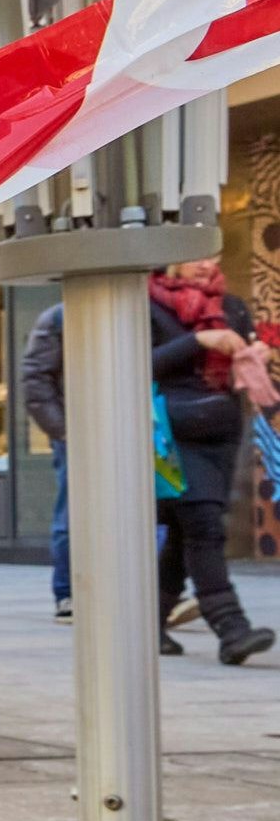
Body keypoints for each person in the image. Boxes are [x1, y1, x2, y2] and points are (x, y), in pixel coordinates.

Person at [150, 257, 273, 664]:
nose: (207, 264)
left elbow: (248, 347)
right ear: (171, 260)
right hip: (173, 432)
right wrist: (199, 342)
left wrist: (255, 352)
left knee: (189, 531)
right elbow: (138, 363)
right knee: (203, 524)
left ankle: (148, 624)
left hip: (222, 430)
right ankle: (230, 627)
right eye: (196, 256)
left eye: (213, 256)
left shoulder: (231, 305)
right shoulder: (146, 303)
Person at [20, 302, 71, 618]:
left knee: (155, 512)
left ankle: (158, 589)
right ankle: (66, 592)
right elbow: (36, 380)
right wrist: (63, 431)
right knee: (71, 513)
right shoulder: (57, 316)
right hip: (76, 433)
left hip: (139, 431)